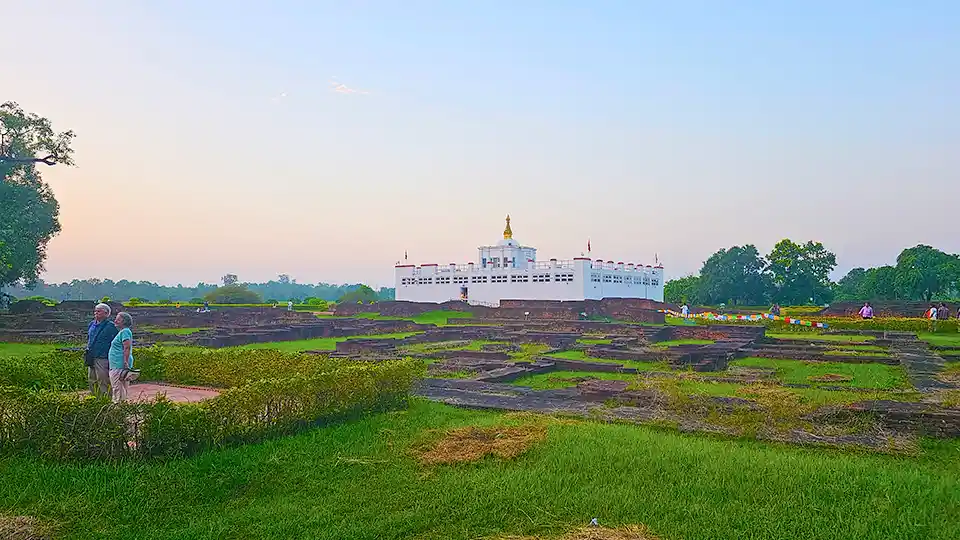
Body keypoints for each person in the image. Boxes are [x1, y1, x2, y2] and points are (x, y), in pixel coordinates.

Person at [85, 303, 118, 396]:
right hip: (91, 355)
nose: (96, 313)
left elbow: (115, 341)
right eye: (95, 311)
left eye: (99, 311)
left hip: (103, 356)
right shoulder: (92, 324)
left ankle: (106, 400)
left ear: (106, 314)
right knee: (92, 379)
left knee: (103, 379)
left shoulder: (111, 326)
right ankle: (95, 399)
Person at [108, 311, 136, 403]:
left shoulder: (125, 332)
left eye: (118, 319)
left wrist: (125, 362)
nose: (115, 320)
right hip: (117, 364)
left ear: (123, 321)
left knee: (117, 387)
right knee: (121, 387)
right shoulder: (123, 332)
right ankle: (121, 405)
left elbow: (127, 347)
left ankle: (118, 407)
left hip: (119, 365)